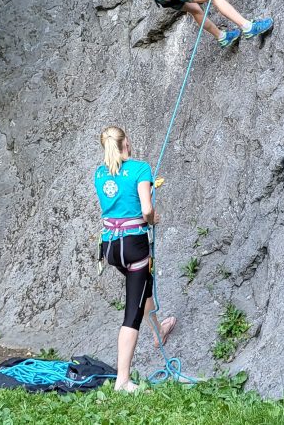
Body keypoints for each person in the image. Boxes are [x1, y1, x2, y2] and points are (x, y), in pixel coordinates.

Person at [94, 126, 176, 393]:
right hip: (134, 247)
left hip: (110, 248)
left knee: (143, 286)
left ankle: (158, 331)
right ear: (126, 142)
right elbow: (146, 209)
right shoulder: (141, 169)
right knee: (133, 312)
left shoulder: (99, 173)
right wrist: (154, 219)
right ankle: (123, 380)